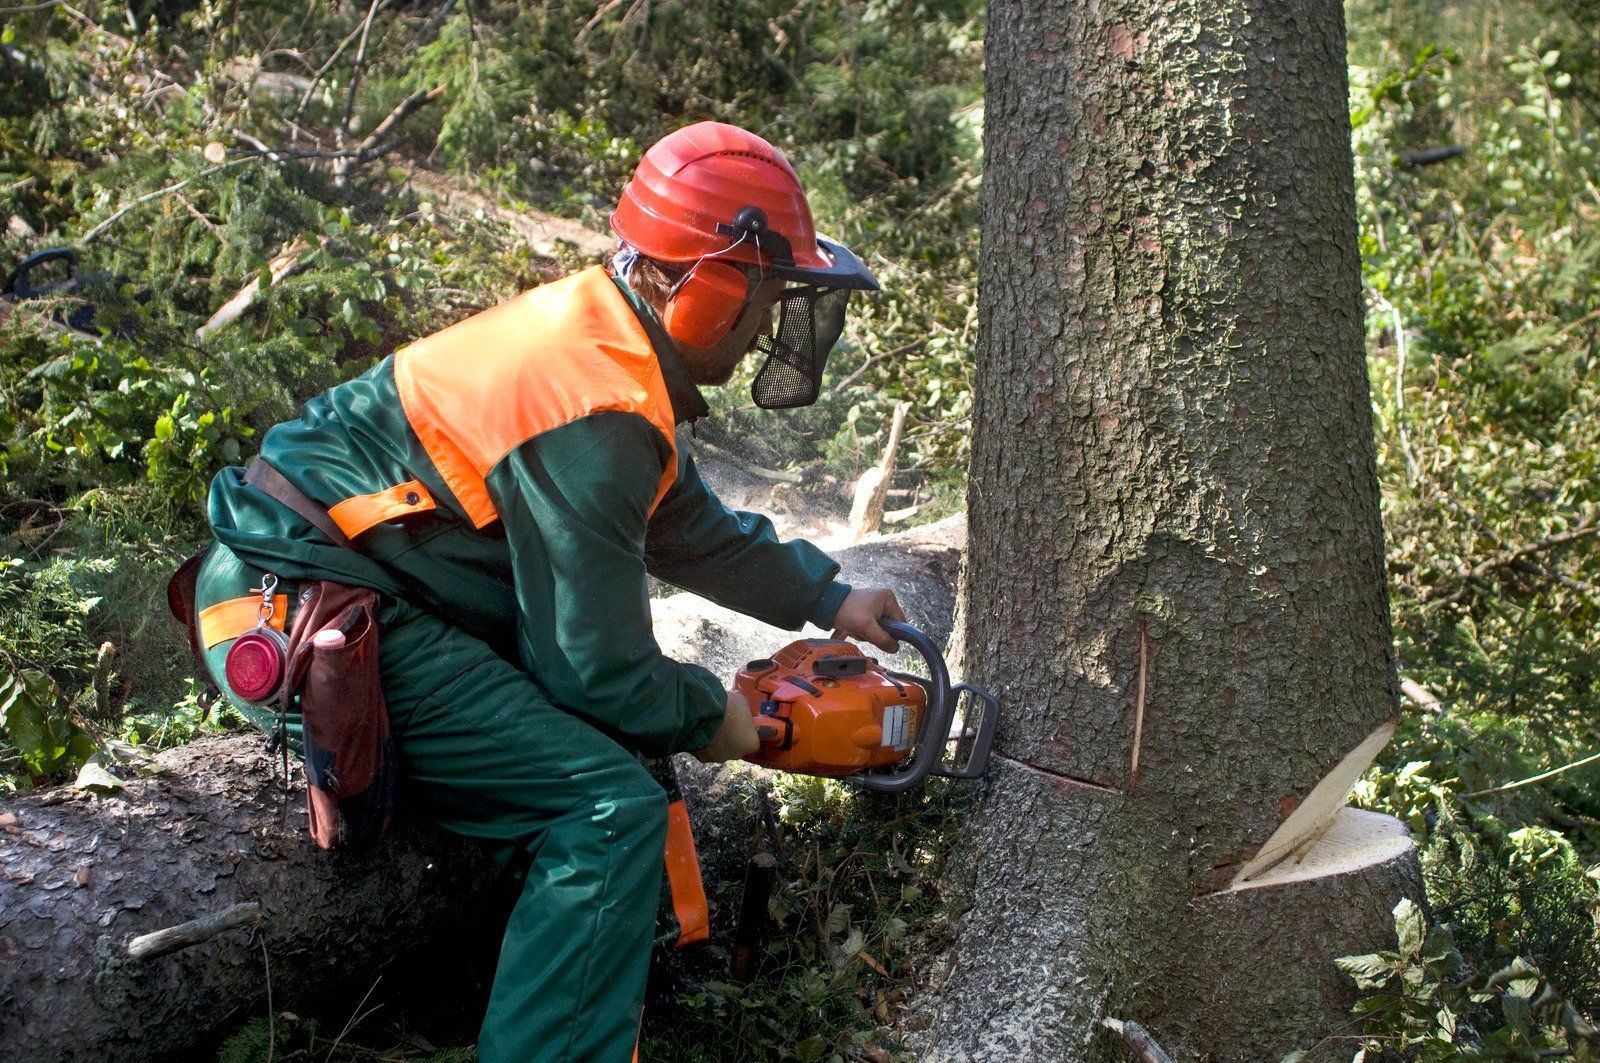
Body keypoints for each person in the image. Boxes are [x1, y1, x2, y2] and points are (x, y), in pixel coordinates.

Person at [186, 120, 907, 1061]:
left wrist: (830, 596)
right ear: (711, 285)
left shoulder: (603, 346)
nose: (770, 323)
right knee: (604, 812)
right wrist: (723, 719)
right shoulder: (597, 408)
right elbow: (597, 671)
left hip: (343, 584)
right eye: (767, 295)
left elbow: (685, 526)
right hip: (309, 611)